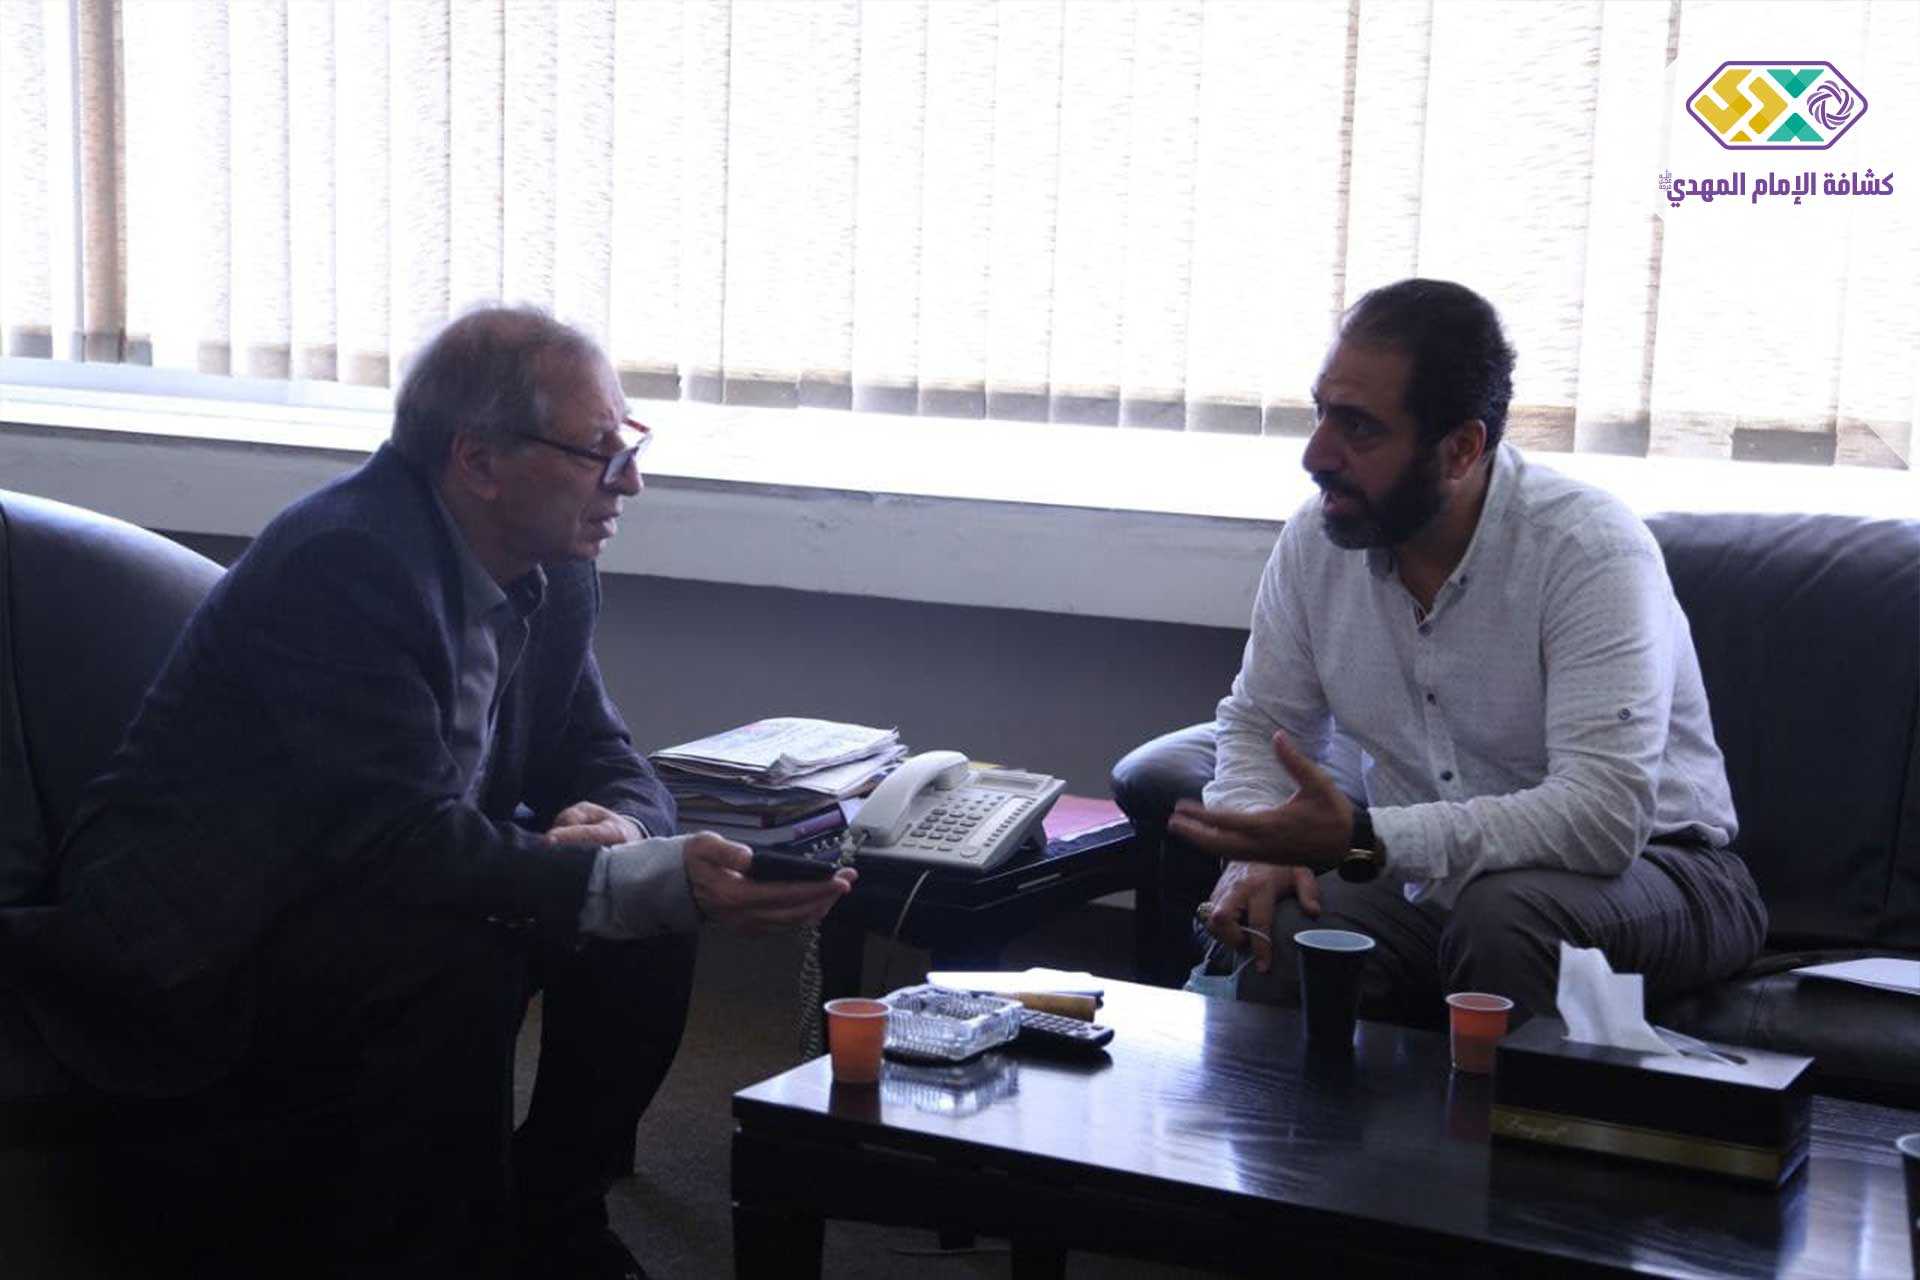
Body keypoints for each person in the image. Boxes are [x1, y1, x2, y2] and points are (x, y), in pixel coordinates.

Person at [7, 307, 853, 1277]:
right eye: (598, 452)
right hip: (209, 927)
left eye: (629, 444)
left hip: (371, 874)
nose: (631, 480)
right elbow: (391, 836)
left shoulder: (554, 566)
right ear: (479, 460)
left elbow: (602, 748)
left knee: (647, 917)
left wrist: (625, 827)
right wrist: (628, 877)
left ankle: (556, 1209)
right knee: (479, 946)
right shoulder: (344, 564)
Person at [1167, 279, 1767, 1024]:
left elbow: (1603, 817)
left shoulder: (1589, 551)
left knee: (1502, 916)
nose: (1316, 454)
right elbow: (1261, 722)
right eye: (1321, 413)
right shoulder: (1316, 543)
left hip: (1664, 868)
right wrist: (1263, 844)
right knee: (1288, 921)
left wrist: (1367, 839)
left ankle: (1511, 1110)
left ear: (1461, 448)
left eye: (1359, 429)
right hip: (1431, 877)